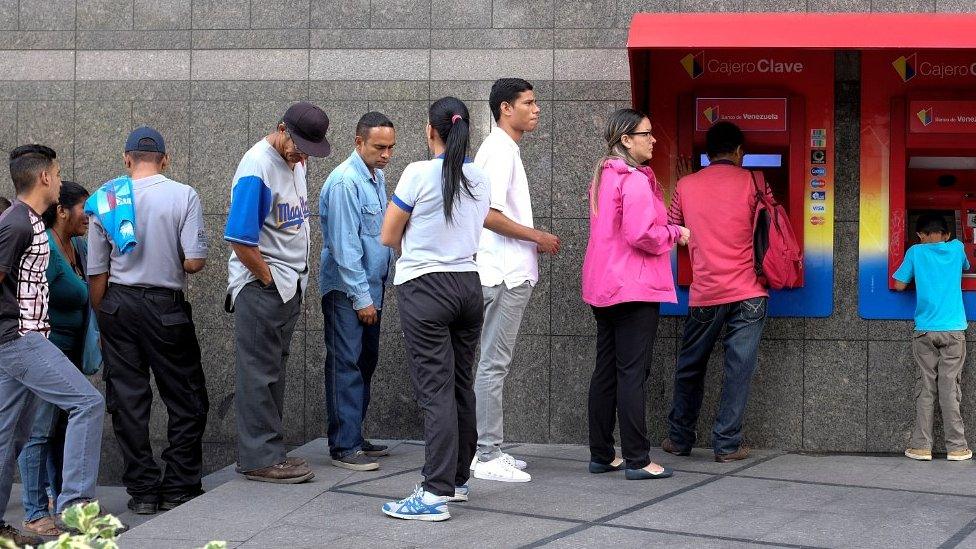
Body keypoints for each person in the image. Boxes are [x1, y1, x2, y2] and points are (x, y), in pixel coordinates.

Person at [379, 97, 490, 522]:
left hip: (425, 288)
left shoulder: (416, 173)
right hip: (468, 285)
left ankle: (434, 492)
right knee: (461, 385)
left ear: (431, 130)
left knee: (435, 391)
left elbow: (389, 235)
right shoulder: (479, 177)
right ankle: (457, 480)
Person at [88, 127, 209, 515]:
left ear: (127, 159)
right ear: (165, 159)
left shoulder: (104, 200)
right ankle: (178, 485)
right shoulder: (183, 195)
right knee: (186, 397)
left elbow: (97, 274)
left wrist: (101, 322)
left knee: (127, 401)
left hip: (117, 306)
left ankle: (142, 490)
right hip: (165, 307)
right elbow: (194, 261)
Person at [0, 145, 105, 547]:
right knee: (87, 403)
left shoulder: (27, 221)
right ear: (44, 177)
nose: (60, 179)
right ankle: (76, 508)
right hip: (23, 340)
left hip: (23, 341)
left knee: (10, 434)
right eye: (58, 173)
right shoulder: (16, 224)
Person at [225, 102, 331, 484]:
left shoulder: (295, 161)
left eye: (308, 148)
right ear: (280, 128)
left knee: (272, 372)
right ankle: (259, 458)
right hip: (262, 286)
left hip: (287, 284)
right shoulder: (257, 167)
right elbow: (240, 239)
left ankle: (268, 452)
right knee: (258, 374)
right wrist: (269, 280)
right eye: (297, 144)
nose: (301, 154)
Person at [583, 109, 687, 481]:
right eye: (646, 134)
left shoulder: (603, 176)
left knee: (607, 370)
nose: (653, 140)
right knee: (631, 373)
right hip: (634, 286)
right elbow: (642, 234)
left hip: (604, 285)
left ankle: (601, 454)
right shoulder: (635, 180)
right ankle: (639, 460)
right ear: (626, 139)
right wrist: (676, 233)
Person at [664, 121, 770, 463]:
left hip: (706, 291)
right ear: (739, 152)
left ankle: (680, 438)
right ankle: (727, 444)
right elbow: (771, 225)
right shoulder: (756, 181)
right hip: (749, 291)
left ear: (708, 153)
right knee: (739, 367)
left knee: (691, 365)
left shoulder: (686, 184)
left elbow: (672, 229)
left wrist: (689, 189)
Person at [471, 78, 560, 483]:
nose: (536, 108)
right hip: (503, 275)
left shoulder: (504, 149)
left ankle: (490, 448)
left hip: (506, 272)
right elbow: (487, 214)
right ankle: (487, 454)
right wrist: (536, 236)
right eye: (529, 102)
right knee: (493, 364)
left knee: (494, 363)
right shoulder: (498, 151)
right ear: (506, 108)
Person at [17, 181, 96, 537]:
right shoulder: (44, 246)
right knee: (37, 431)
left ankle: (60, 499)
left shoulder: (76, 245)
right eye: (84, 208)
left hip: (71, 351)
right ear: (62, 210)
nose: (90, 216)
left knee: (61, 429)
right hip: (45, 348)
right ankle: (34, 512)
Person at [319, 112, 396, 472]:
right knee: (346, 364)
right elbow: (345, 246)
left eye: (390, 148)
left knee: (364, 363)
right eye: (379, 147)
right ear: (358, 142)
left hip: (371, 288)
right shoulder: (344, 183)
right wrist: (361, 297)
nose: (386, 154)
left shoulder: (375, 178)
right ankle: (344, 445)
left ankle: (354, 435)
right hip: (348, 291)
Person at [893, 214, 972, 462]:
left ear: (920, 234)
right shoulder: (957, 247)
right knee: (950, 389)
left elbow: (898, 285)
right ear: (947, 234)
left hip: (925, 331)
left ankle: (921, 447)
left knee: (925, 389)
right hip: (954, 331)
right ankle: (957, 448)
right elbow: (967, 267)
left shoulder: (915, 252)